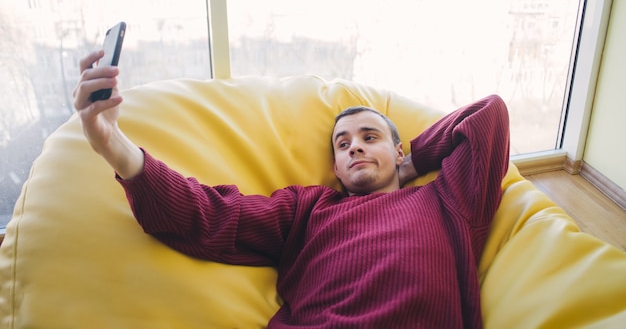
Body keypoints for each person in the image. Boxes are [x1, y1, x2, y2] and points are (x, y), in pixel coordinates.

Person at [74, 50, 511, 328]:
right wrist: (113, 145)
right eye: (343, 144)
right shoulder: (309, 209)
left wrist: (412, 161)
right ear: (336, 167)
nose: (355, 146)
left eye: (370, 137)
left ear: (398, 151)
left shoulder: (446, 200)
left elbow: (487, 116)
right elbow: (209, 214)